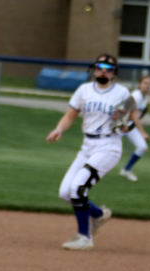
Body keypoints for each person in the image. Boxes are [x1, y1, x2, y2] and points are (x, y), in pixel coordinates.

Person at [46, 54, 138, 251]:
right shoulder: (84, 90)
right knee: (65, 192)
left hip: (108, 146)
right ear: (94, 69)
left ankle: (84, 237)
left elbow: (123, 125)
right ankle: (97, 215)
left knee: (78, 188)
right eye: (100, 66)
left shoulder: (123, 93)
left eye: (109, 67)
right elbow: (71, 115)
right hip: (87, 146)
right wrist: (59, 129)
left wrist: (125, 125)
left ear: (114, 73)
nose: (104, 70)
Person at [119, 75, 150, 182]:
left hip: (129, 126)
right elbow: (134, 116)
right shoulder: (136, 95)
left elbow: (135, 117)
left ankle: (126, 169)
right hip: (119, 125)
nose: (148, 86)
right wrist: (143, 133)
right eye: (145, 83)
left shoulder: (144, 96)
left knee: (142, 147)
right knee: (106, 148)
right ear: (140, 84)